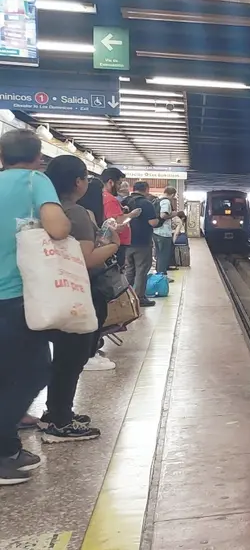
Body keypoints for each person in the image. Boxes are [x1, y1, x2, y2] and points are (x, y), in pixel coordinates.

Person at [0, 129, 72, 485]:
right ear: (38, 158)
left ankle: (9, 448)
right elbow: (57, 228)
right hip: (14, 293)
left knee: (4, 371)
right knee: (34, 371)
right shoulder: (34, 180)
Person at [40, 156, 120, 443]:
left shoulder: (44, 210)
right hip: (75, 294)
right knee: (72, 357)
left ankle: (55, 412)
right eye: (86, 177)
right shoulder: (77, 214)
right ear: (78, 182)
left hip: (47, 291)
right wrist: (113, 244)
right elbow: (85, 260)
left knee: (62, 356)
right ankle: (61, 421)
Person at [77, 178, 119, 370]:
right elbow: (94, 248)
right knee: (96, 311)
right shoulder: (85, 214)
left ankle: (89, 352)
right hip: (91, 272)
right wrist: (113, 242)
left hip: (81, 273)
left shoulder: (74, 210)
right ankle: (87, 356)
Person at [122, 182, 159, 308]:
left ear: (133, 189)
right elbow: (153, 223)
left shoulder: (124, 201)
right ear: (146, 190)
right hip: (142, 242)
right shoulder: (146, 203)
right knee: (141, 270)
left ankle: (124, 296)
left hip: (126, 242)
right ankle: (139, 298)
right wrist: (160, 219)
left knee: (129, 270)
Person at [153, 187, 180, 279]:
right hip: (163, 233)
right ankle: (162, 277)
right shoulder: (166, 201)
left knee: (159, 255)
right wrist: (175, 214)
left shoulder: (157, 200)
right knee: (163, 255)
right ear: (172, 194)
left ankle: (158, 275)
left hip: (156, 232)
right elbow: (163, 215)